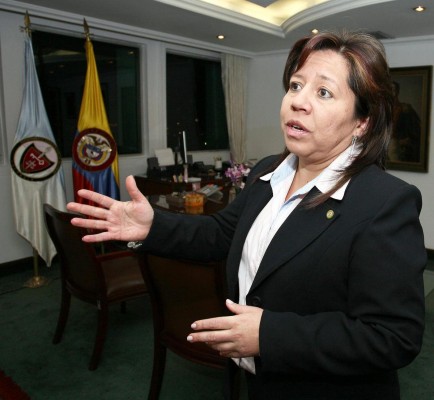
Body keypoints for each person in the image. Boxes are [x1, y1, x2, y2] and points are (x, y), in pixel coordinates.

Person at [67, 31, 426, 400]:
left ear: (362, 121)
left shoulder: (385, 203)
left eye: (323, 92)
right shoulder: (268, 171)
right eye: (296, 85)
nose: (298, 102)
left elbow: (393, 336)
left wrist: (269, 335)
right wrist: (152, 226)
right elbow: (220, 233)